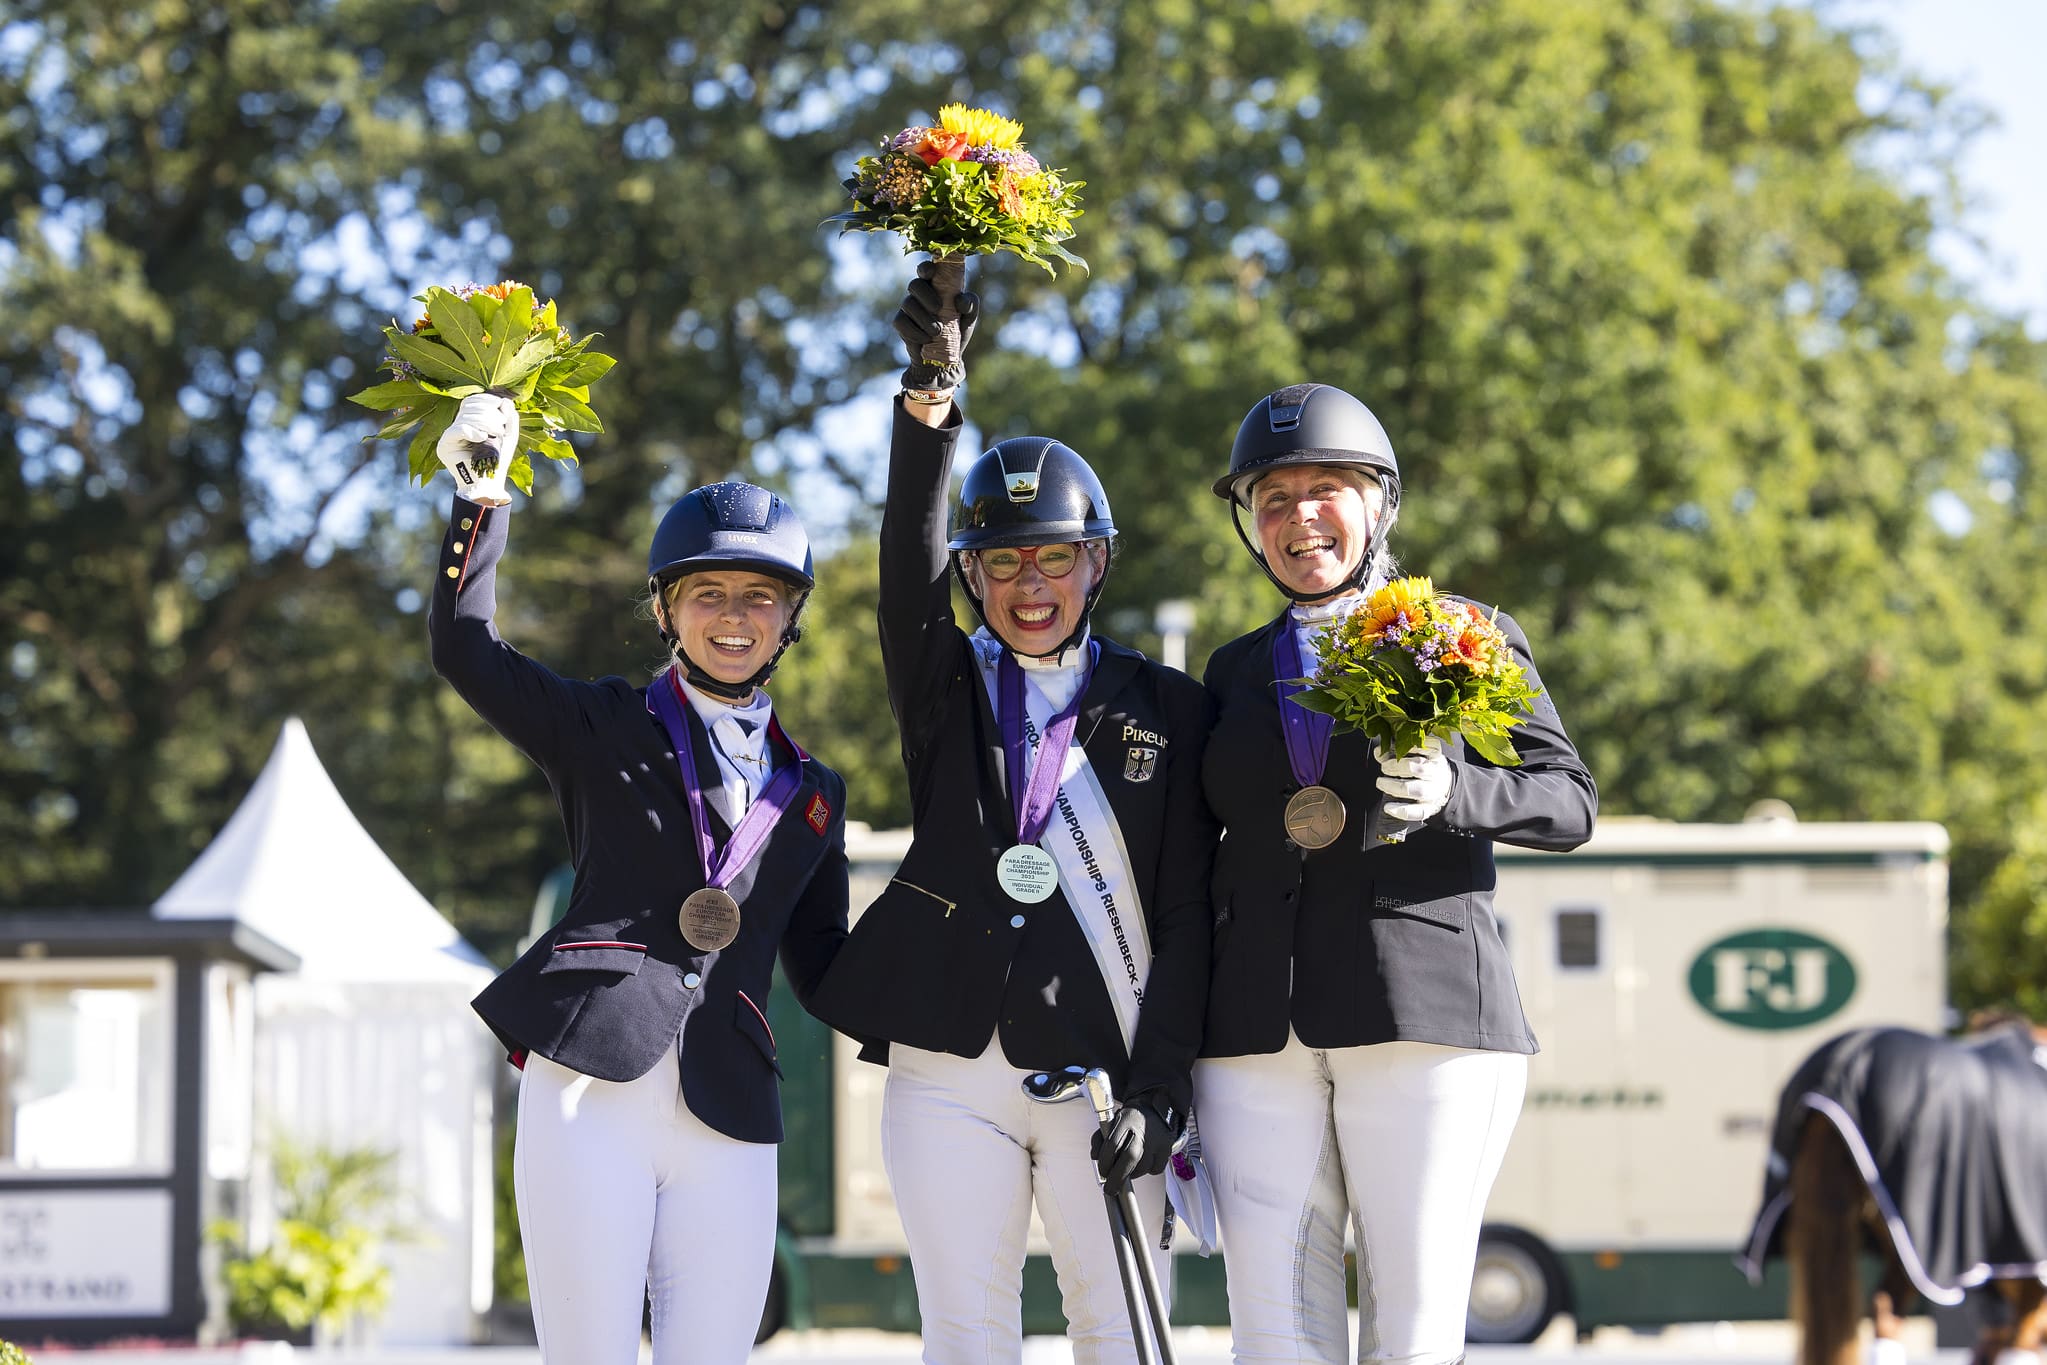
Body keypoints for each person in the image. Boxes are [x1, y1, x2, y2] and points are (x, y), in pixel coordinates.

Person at [807, 264, 1218, 1364]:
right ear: (971, 577)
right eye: (998, 562)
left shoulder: (1168, 707)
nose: (1027, 583)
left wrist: (1164, 1085)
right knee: (967, 1331)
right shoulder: (943, 687)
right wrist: (930, 398)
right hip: (949, 1066)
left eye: (1053, 558)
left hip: (1102, 1068)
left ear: (1097, 564)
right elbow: (903, 565)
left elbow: (1183, 914)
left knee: (1121, 1329)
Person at [427, 394, 850, 1365]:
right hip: (590, 1082)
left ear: (790, 616)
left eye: (759, 596)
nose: (734, 617)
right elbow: (464, 649)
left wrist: (947, 990)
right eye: (709, 594)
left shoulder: (816, 791)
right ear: (665, 608)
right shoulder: (599, 725)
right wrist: (480, 494)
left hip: (730, 1101)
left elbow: (824, 965)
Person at [1195, 383, 1597, 1364]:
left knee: (1407, 1335)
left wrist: (1457, 791)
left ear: (1378, 503)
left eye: (1324, 489)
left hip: (1421, 1020)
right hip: (1256, 1034)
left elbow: (1567, 800)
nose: (1299, 519)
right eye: (1274, 499)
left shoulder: (1461, 632)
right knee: (1273, 1337)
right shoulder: (1231, 672)